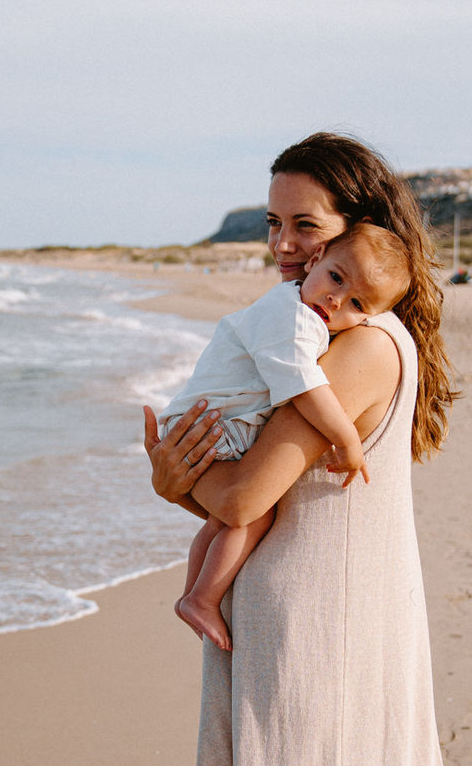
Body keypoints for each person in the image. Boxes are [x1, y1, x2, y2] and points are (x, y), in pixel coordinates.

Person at [143, 132, 463, 766]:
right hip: (320, 629)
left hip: (324, 643)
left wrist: (171, 480)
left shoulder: (360, 346)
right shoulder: (336, 335)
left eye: (305, 226)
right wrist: (188, 485)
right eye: (274, 223)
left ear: (358, 232)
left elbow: (244, 497)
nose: (284, 244)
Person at [158, 223, 412, 651]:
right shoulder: (293, 318)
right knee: (255, 514)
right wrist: (346, 439)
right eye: (335, 278)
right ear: (317, 261)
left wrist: (170, 490)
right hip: (214, 427)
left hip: (214, 423)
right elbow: (304, 387)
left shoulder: (323, 320)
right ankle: (201, 598)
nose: (336, 300)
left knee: (225, 521)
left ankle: (195, 596)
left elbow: (228, 506)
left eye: (356, 303)